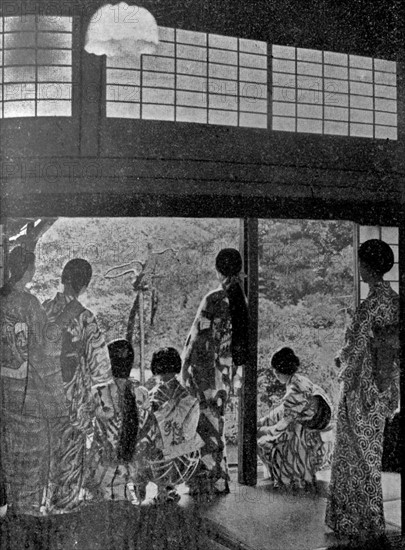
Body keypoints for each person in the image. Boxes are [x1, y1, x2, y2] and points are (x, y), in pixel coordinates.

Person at [325, 239, 399, 543]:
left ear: (367, 266)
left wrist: (341, 363)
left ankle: (358, 520)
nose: (360, 269)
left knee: (355, 454)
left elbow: (355, 348)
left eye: (361, 263)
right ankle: (367, 519)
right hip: (384, 385)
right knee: (370, 452)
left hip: (363, 386)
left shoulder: (371, 304)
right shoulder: (394, 300)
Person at [43, 258, 115, 512]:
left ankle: (43, 509)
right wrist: (106, 404)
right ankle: (64, 510)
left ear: (62, 278)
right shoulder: (85, 319)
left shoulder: (42, 311)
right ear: (84, 285)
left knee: (46, 457)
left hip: (44, 400)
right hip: (74, 403)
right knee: (71, 459)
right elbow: (100, 368)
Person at [0, 246, 67, 516]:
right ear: (28, 270)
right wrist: (57, 328)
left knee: (7, 447)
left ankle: (10, 503)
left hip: (2, 388)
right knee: (31, 449)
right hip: (24, 392)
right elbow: (44, 347)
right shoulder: (28, 304)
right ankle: (25, 507)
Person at [181, 248, 249, 495]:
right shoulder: (241, 299)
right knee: (215, 425)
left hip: (207, 375)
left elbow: (198, 340)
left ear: (218, 270)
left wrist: (185, 369)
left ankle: (208, 481)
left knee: (204, 428)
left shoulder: (215, 299)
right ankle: (218, 479)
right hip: (226, 375)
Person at [134, 347, 203, 504]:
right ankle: (168, 489)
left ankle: (143, 485)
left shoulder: (152, 396)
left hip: (161, 457)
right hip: (187, 459)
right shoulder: (187, 395)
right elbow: (190, 430)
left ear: (155, 367)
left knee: (143, 444)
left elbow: (146, 427)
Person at [257, 347, 333, 489]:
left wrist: (264, 431)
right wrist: (262, 423)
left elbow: (284, 422)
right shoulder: (299, 380)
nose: (275, 373)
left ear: (279, 371)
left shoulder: (296, 389)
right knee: (264, 428)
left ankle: (291, 480)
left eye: (276, 370)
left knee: (265, 443)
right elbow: (283, 410)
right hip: (309, 422)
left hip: (309, 428)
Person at [87, 339, 149, 502]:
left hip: (104, 469)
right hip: (132, 467)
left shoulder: (99, 392)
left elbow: (81, 422)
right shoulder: (141, 393)